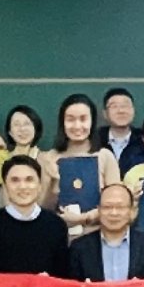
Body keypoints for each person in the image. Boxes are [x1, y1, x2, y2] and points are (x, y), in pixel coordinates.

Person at [42, 94, 123, 238]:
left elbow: (116, 205)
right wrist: (54, 183)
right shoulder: (50, 158)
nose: (77, 126)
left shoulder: (105, 156)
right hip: (59, 237)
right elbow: (43, 208)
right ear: (62, 122)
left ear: (92, 121)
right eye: (70, 119)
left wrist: (82, 218)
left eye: (83, 119)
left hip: (98, 238)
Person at [0, 156, 71, 276]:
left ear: (40, 185)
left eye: (29, 180)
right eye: (15, 180)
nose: (23, 186)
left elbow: (63, 275)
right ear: (5, 186)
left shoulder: (56, 225)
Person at [69, 184, 144, 282]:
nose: (114, 213)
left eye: (120, 207)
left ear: (131, 211)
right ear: (99, 210)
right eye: (107, 207)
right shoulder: (79, 247)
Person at [0, 105, 44, 204]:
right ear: (10, 132)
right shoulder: (5, 156)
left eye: (27, 124)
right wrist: (0, 150)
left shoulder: (45, 158)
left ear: (36, 128)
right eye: (16, 124)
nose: (22, 129)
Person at [96, 87, 144, 177]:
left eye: (125, 106)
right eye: (114, 106)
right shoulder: (95, 139)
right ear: (105, 113)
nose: (121, 111)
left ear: (133, 110)